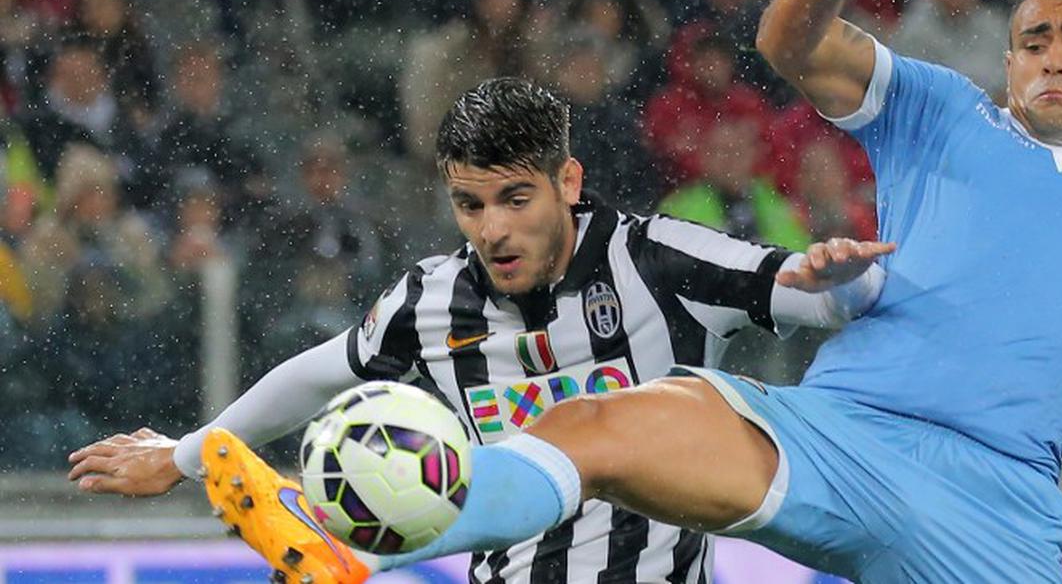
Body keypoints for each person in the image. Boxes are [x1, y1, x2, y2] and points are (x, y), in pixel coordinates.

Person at [162, 0, 1062, 582]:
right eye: (1031, 39)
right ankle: (360, 547)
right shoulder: (945, 108)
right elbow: (789, 44)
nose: (1049, 57)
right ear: (1004, 61)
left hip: (990, 507)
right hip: (830, 432)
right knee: (603, 425)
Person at [68, 76, 892, 584]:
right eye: (470, 204)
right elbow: (319, 374)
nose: (491, 229)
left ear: (567, 181)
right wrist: (180, 455)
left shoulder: (657, 257)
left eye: (514, 199)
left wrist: (843, 284)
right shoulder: (431, 301)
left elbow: (815, 297)